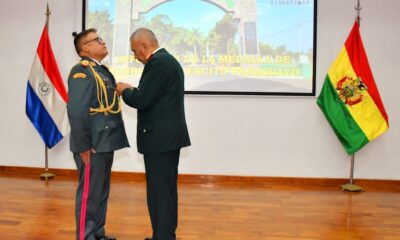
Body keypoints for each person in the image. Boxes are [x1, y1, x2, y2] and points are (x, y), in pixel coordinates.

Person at [116, 28, 191, 240]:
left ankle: (163, 236)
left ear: (143, 45)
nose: (134, 56)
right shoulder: (168, 61)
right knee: (165, 191)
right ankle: (164, 234)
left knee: (160, 193)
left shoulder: (157, 63)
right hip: (167, 138)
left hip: (159, 139)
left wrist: (125, 90)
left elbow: (142, 99)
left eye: (133, 51)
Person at [67, 28, 130, 240]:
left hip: (104, 142)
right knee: (88, 194)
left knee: (101, 192)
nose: (103, 43)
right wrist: (82, 145)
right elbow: (76, 110)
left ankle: (97, 233)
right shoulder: (82, 72)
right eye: (97, 40)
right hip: (91, 144)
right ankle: (85, 236)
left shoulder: (101, 71)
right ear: (85, 48)